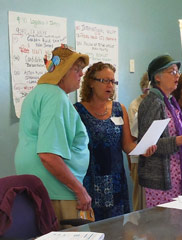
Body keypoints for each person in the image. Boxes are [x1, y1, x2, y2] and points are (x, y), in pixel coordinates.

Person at [14, 45, 92, 228]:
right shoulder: (56, 97)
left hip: (40, 184)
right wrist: (79, 190)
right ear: (62, 72)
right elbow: (48, 155)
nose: (81, 74)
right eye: (76, 69)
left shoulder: (37, 93)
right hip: (58, 189)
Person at [74, 62, 156, 220]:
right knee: (93, 228)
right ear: (91, 82)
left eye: (113, 81)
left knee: (117, 229)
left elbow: (127, 145)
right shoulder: (78, 111)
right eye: (104, 81)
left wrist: (143, 148)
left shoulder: (119, 109)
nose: (110, 85)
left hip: (116, 181)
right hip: (90, 182)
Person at [137, 54, 182, 208]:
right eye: (172, 72)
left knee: (178, 225)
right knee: (162, 229)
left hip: (176, 173)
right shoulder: (152, 102)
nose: (177, 75)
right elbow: (148, 144)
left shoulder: (171, 102)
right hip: (160, 179)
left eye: (177, 72)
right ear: (157, 77)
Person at [128, 72, 150, 211]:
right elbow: (131, 136)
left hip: (155, 156)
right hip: (139, 157)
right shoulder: (135, 105)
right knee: (140, 200)